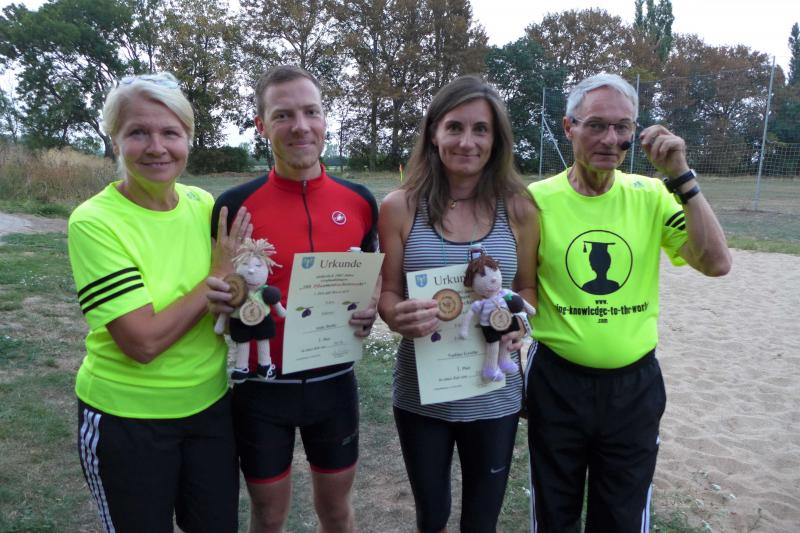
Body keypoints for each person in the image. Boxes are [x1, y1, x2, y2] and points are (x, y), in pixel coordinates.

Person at [526, 73, 732, 532]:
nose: (610, 139)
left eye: (622, 127)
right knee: (554, 515)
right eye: (596, 125)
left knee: (622, 517)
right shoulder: (535, 200)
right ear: (569, 127)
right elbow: (518, 288)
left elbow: (716, 263)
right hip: (557, 381)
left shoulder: (652, 195)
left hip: (633, 388)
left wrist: (681, 177)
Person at [67, 72, 250, 532]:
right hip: (127, 419)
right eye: (138, 133)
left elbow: (229, 293)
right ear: (115, 140)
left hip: (210, 410)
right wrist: (214, 280)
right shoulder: (95, 222)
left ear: (188, 138)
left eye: (170, 132)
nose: (156, 147)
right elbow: (142, 342)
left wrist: (236, 293)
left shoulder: (203, 204)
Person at [207, 65, 379, 533]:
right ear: (261, 125)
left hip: (334, 385)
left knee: (337, 514)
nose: (300, 126)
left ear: (325, 119)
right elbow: (215, 284)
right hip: (261, 390)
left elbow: (372, 275)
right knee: (267, 517)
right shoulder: (233, 206)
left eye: (311, 112)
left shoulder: (360, 200)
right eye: (283, 115)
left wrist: (370, 308)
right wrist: (218, 296)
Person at [377, 75, 537, 532]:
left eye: (480, 129)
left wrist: (517, 325)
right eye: (455, 127)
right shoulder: (400, 207)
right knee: (432, 518)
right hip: (421, 396)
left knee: (481, 522)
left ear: (496, 139)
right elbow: (388, 293)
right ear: (434, 133)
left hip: (494, 395)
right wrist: (396, 316)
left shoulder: (519, 208)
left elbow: (528, 290)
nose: (467, 141)